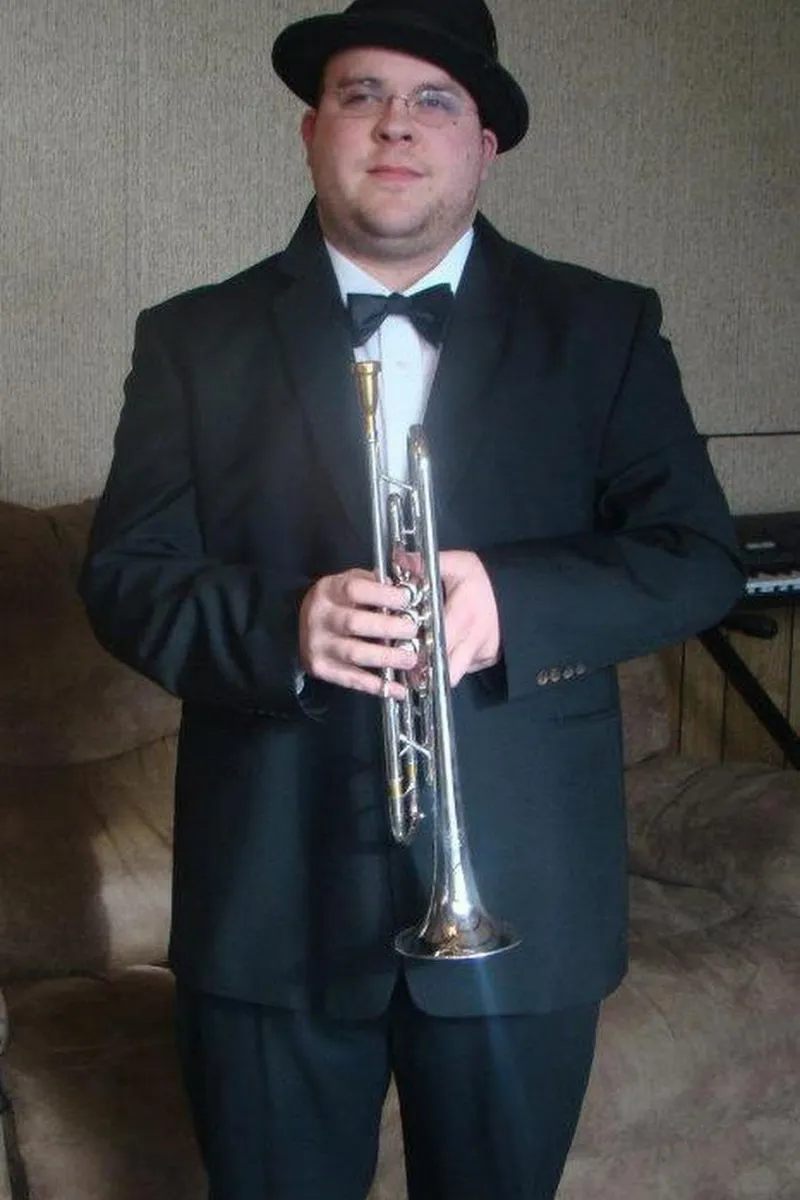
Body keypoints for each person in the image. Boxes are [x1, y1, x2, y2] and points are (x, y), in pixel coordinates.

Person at [79, 0, 745, 1196]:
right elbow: (127, 579)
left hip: (523, 905)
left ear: (483, 144)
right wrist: (284, 625)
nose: (396, 125)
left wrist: (513, 601)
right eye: (361, 94)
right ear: (309, 130)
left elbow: (696, 556)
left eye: (434, 99)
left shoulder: (602, 327)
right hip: (269, 906)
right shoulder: (192, 338)